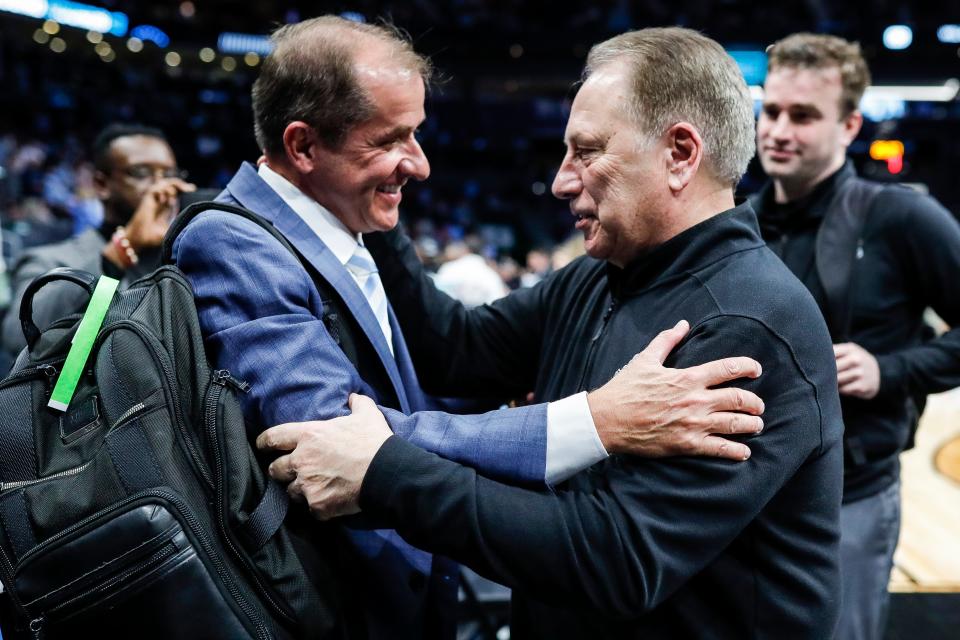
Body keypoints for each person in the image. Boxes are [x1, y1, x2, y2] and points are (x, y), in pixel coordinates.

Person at [172, 17, 768, 640]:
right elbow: (334, 441)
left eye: (586, 151)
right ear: (303, 148)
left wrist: (374, 193)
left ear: (680, 155)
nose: (423, 166)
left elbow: (415, 408)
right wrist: (591, 421)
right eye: (392, 137)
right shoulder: (236, 243)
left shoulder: (740, 317)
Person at [751, 33, 960, 640]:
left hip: (852, 497)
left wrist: (888, 370)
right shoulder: (739, 223)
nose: (779, 130)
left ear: (848, 126)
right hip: (745, 495)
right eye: (771, 111)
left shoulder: (899, 218)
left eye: (803, 116)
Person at [1, 124, 194, 358]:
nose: (162, 186)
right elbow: (16, 337)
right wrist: (119, 253)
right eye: (142, 173)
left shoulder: (185, 260)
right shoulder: (52, 259)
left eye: (170, 175)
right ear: (101, 185)